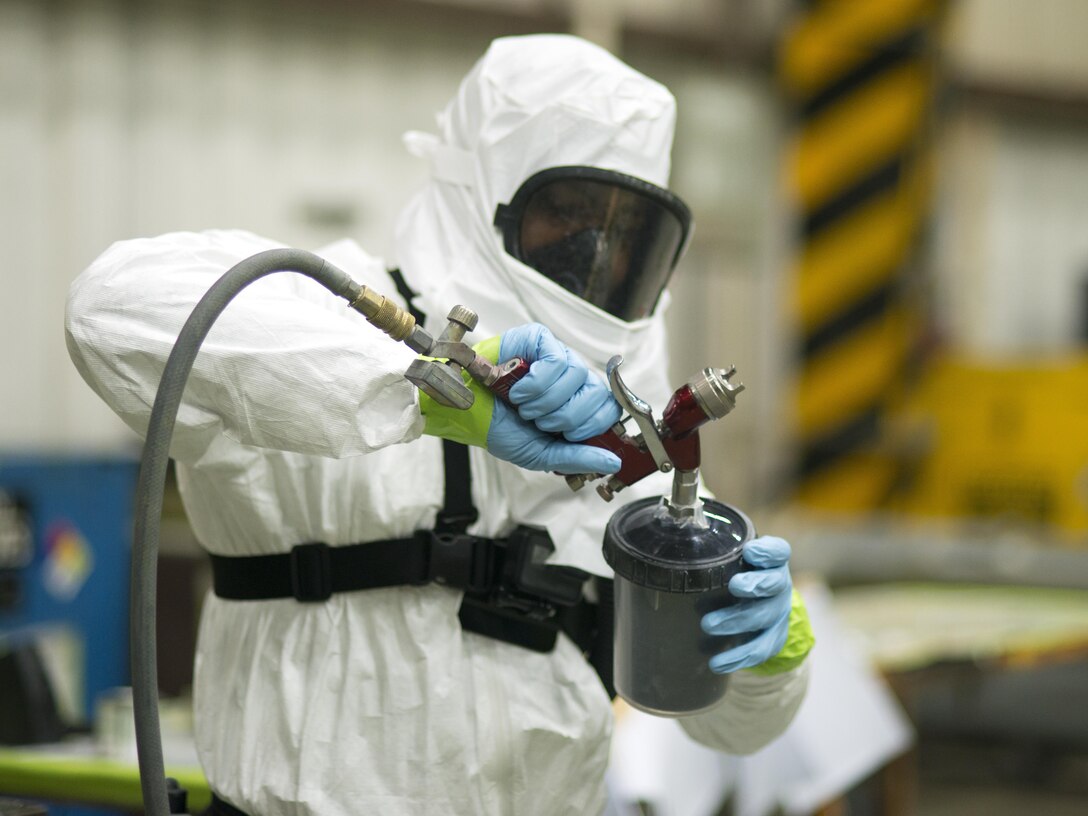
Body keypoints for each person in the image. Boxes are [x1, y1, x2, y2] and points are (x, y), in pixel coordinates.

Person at [65, 34, 813, 816]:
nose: (598, 250)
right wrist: (424, 383)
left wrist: (765, 653)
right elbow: (107, 312)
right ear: (483, 194)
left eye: (629, 233)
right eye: (569, 213)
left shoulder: (633, 430)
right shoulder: (323, 319)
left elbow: (731, 730)